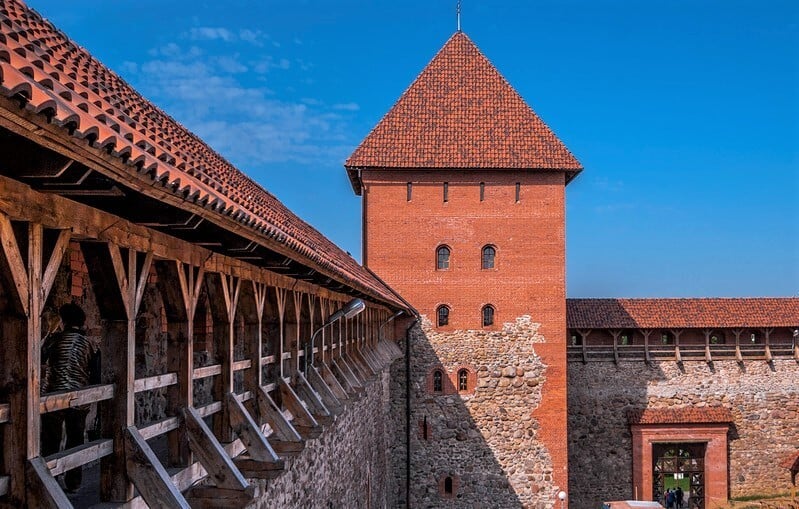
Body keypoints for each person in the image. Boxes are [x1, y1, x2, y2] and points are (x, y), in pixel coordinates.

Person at [41, 303, 97, 493]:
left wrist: (50, 333)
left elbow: (39, 358)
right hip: (78, 397)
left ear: (64, 321)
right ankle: (74, 482)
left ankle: (50, 481)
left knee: (51, 441)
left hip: (53, 395)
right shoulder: (90, 343)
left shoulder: (54, 340)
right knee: (75, 439)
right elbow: (96, 373)